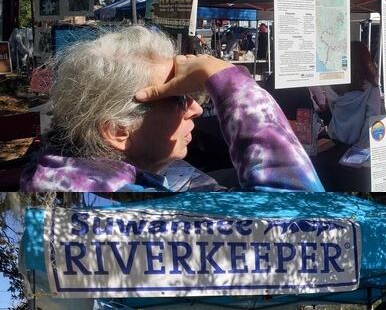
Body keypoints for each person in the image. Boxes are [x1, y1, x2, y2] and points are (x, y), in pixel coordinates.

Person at [21, 26, 322, 197]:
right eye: (178, 99)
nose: (194, 108)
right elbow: (303, 217)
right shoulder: (128, 203)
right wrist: (229, 82)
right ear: (118, 130)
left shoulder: (57, 173)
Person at [315, 41, 384, 152]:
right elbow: (372, 120)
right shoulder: (372, 88)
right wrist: (362, 147)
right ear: (366, 60)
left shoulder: (331, 84)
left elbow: (333, 111)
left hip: (334, 140)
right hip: (358, 146)